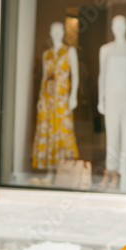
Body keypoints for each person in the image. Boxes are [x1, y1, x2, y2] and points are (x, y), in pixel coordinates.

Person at [31, 20, 79, 171]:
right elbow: (44, 77)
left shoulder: (70, 51)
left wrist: (74, 96)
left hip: (63, 97)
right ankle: (50, 170)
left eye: (60, 30)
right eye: (54, 31)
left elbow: (75, 76)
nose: (57, 33)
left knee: (64, 129)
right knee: (49, 130)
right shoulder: (46, 55)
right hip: (47, 98)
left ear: (64, 33)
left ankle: (66, 169)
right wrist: (40, 99)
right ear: (51, 34)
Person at [98, 14, 126, 191]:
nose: (119, 28)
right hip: (111, 98)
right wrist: (101, 99)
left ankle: (125, 174)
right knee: (112, 137)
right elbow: (102, 76)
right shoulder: (105, 49)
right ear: (112, 27)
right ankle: (111, 171)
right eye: (116, 25)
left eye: (122, 25)